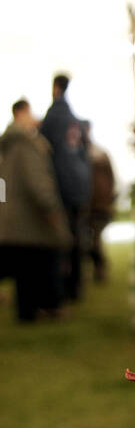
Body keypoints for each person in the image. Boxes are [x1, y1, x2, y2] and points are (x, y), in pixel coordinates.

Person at [0, 100, 71, 322]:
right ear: (21, 113)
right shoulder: (27, 144)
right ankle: (41, 310)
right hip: (31, 217)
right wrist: (50, 206)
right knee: (35, 266)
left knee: (24, 271)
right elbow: (37, 182)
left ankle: (28, 313)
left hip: (14, 217)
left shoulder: (9, 144)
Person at [40, 74, 92, 301]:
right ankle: (76, 286)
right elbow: (84, 151)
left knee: (59, 239)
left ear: (55, 87)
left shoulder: (52, 117)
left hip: (61, 185)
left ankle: (61, 288)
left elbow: (43, 152)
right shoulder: (74, 118)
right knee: (76, 237)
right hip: (79, 185)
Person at [84, 125, 116, 282]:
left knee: (95, 239)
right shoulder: (89, 153)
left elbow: (110, 178)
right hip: (90, 203)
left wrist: (109, 197)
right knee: (91, 240)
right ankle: (98, 268)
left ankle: (99, 269)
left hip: (99, 203)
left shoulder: (99, 154)